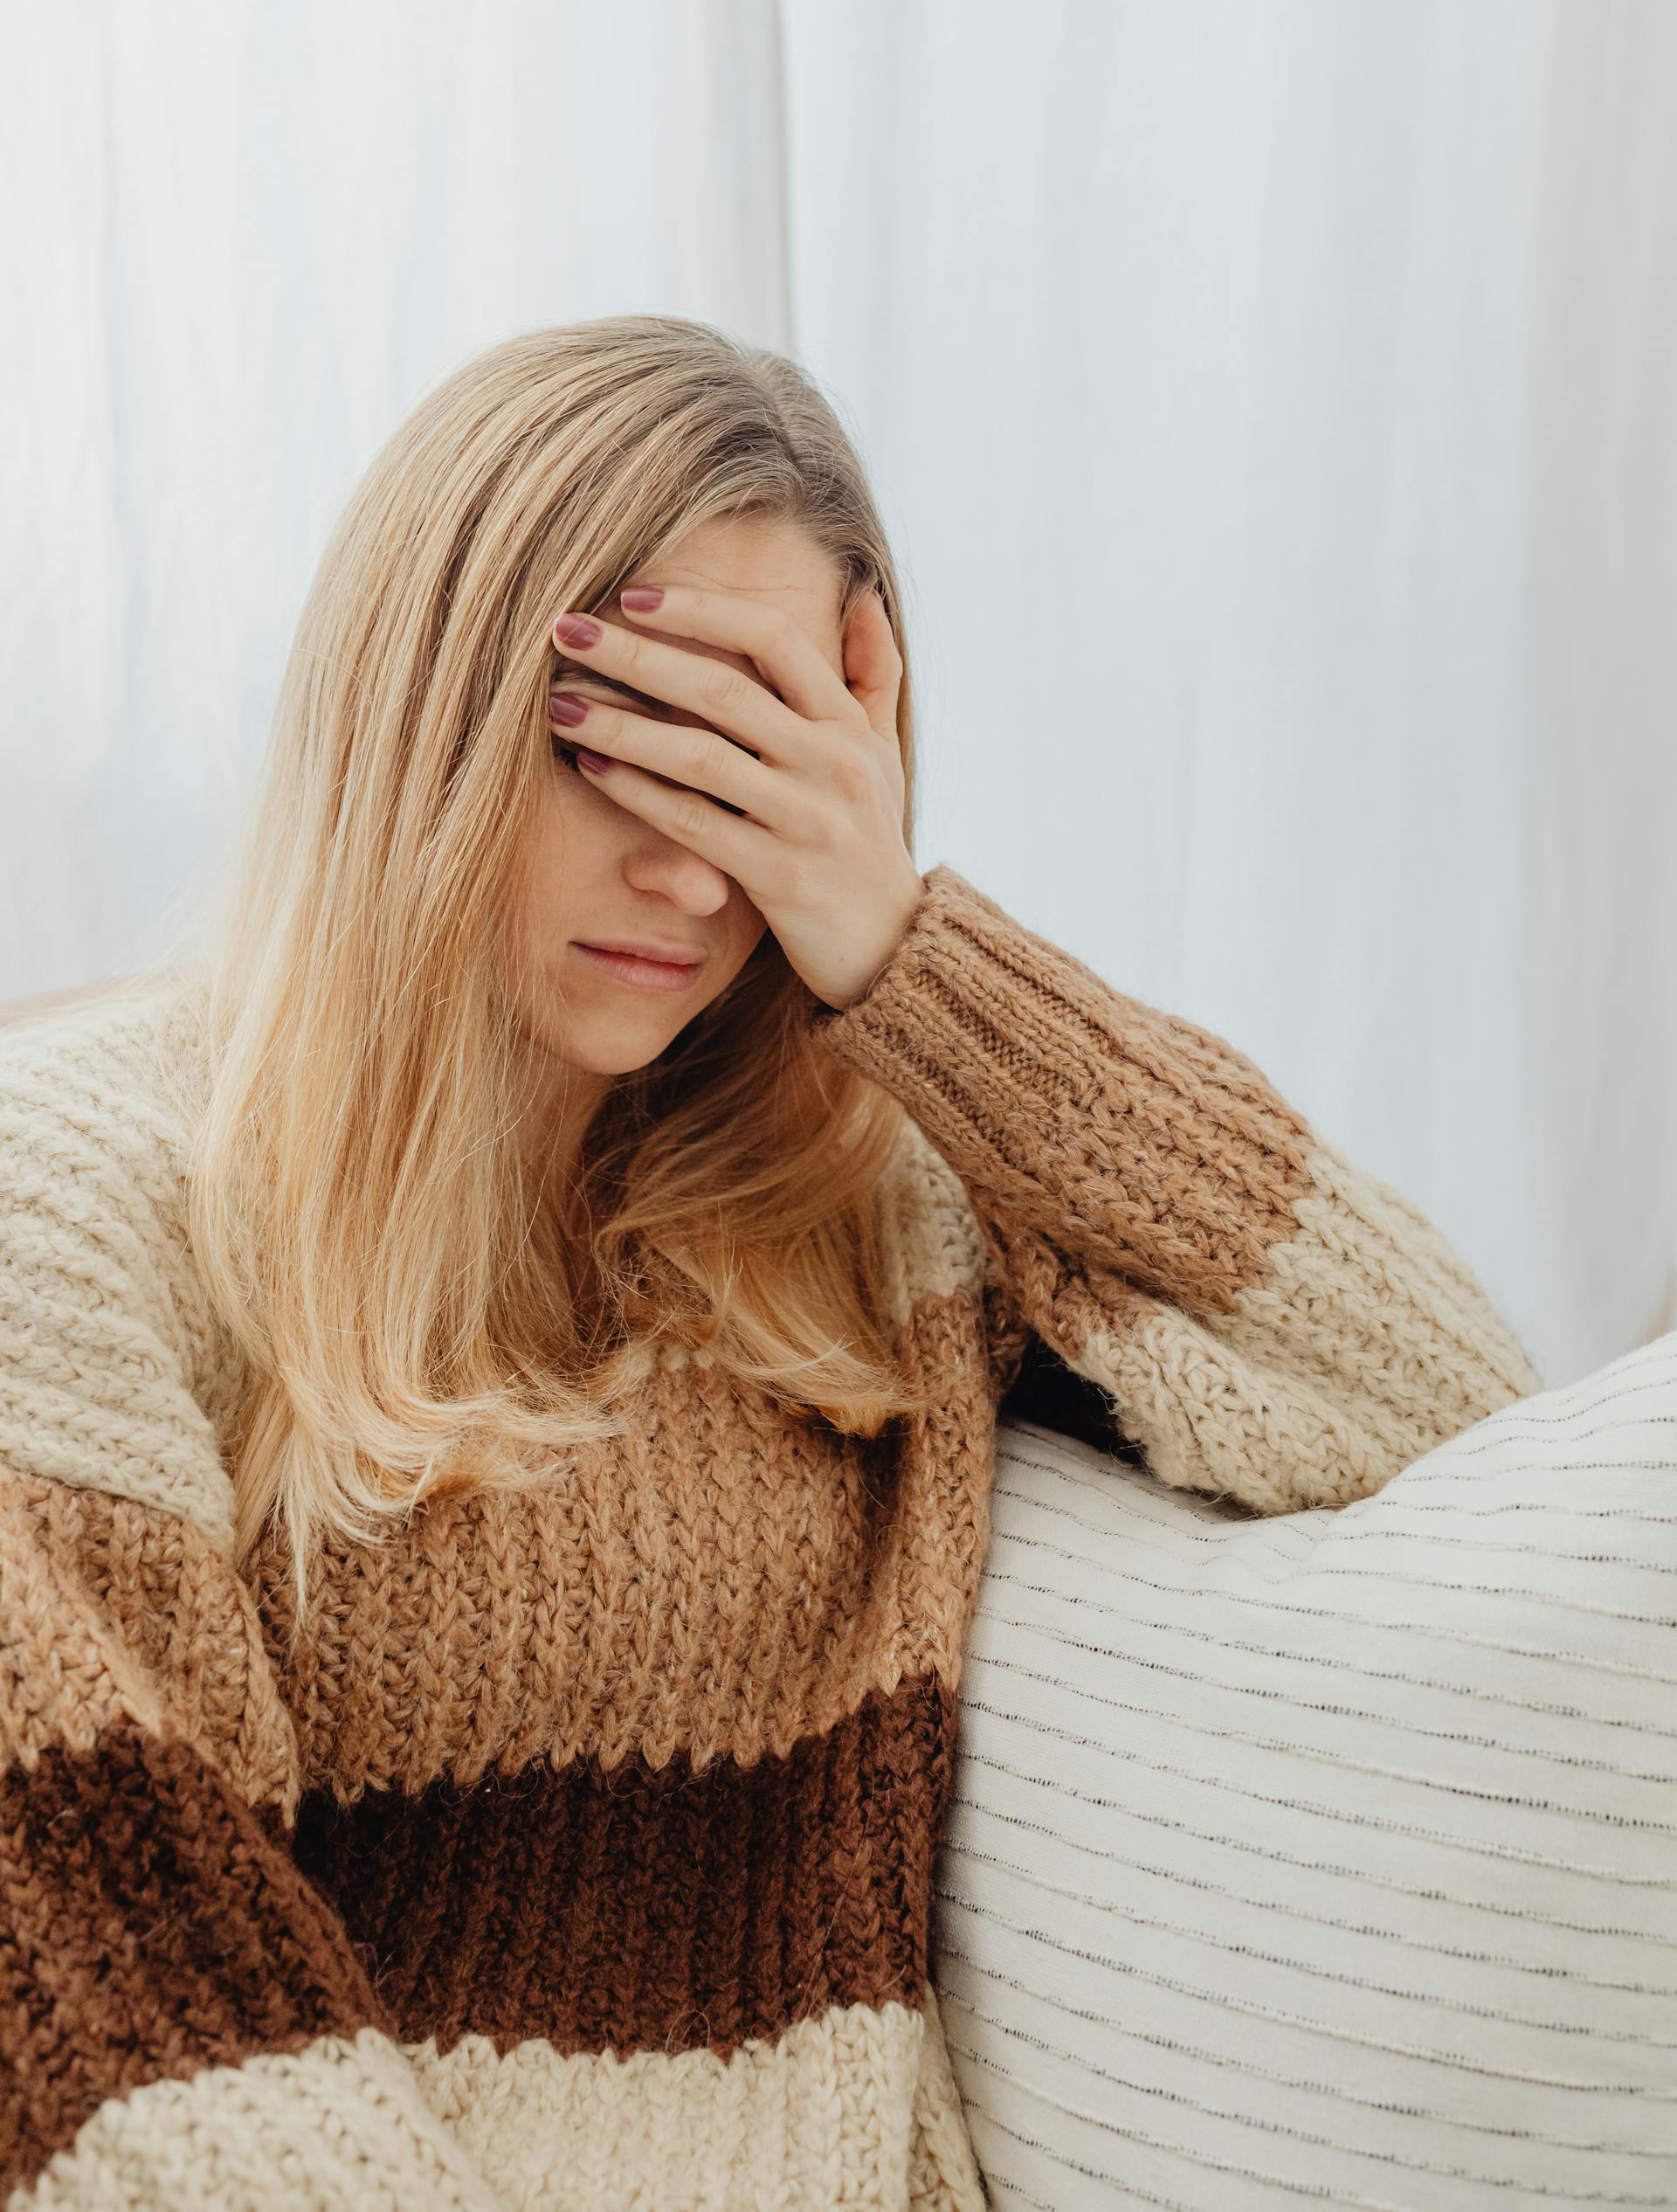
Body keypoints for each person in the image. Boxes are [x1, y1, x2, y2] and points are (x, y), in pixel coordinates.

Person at [0, 316, 1539, 2212]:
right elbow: (105, 1976)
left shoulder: (875, 1221)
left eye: (760, 770)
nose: (693, 875)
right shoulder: (78, 1199)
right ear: (424, 721)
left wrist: (908, 948)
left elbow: (1461, 1421)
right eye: (616, 749)